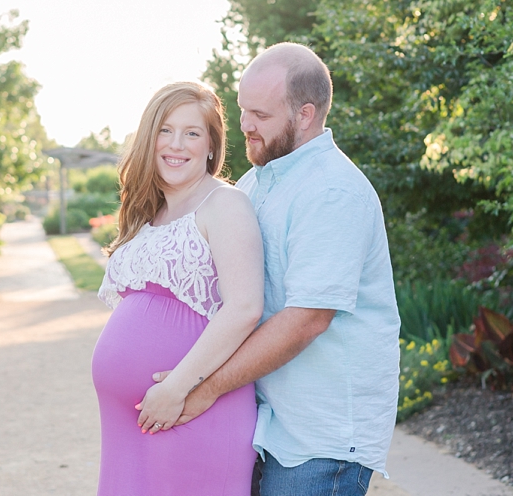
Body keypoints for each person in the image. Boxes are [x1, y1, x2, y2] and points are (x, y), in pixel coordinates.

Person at [155, 43, 400, 496]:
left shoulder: (332, 191)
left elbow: (306, 320)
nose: (245, 124)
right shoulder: (256, 181)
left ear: (305, 115)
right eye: (244, 109)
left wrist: (205, 387)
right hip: (263, 421)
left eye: (261, 115)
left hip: (317, 438)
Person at [91, 81, 265, 496]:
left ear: (211, 146)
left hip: (189, 411)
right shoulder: (150, 213)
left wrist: (175, 387)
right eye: (165, 130)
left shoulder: (224, 204)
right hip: (129, 423)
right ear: (149, 139)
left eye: (192, 133)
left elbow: (244, 307)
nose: (176, 144)